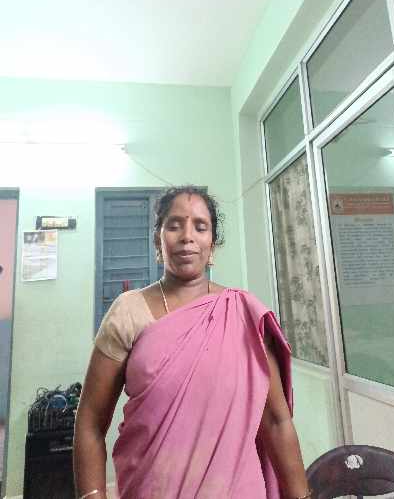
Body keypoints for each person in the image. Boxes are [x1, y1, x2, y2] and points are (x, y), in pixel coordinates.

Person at [73, 185, 310, 499]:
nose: (187, 236)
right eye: (174, 226)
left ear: (212, 244)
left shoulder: (243, 314)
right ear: (158, 240)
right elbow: (90, 422)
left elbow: (277, 422)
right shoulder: (128, 312)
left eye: (200, 226)